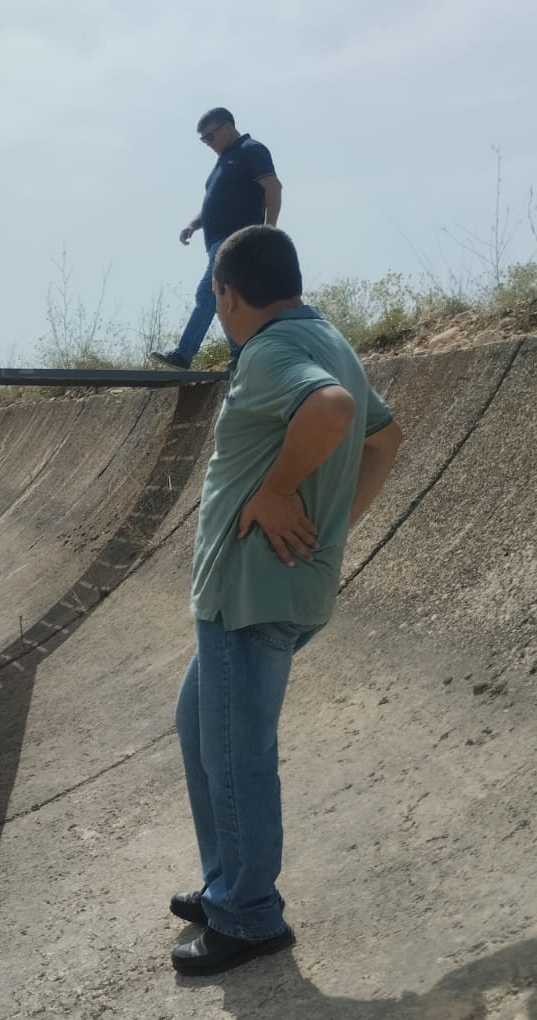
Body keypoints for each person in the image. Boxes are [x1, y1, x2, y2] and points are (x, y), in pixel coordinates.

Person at [170, 226, 404, 976]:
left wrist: (276, 492)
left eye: (218, 296)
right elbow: (385, 438)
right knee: (199, 723)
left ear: (229, 295)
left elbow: (335, 412)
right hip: (272, 587)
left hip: (251, 592)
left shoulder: (270, 353)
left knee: (237, 755)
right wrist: (332, 529)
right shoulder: (328, 337)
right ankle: (226, 884)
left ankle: (249, 916)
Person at [150, 108, 282, 370]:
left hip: (238, 239)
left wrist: (270, 228)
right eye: (203, 141)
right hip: (217, 243)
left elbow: (273, 187)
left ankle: (184, 355)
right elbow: (216, 203)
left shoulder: (251, 150)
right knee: (227, 298)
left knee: (209, 292)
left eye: (209, 137)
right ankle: (242, 356)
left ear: (226, 127)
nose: (208, 144)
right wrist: (193, 224)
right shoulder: (223, 162)